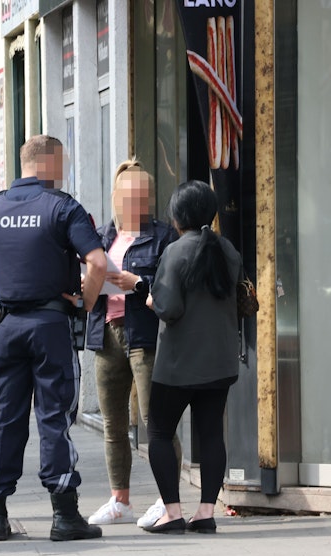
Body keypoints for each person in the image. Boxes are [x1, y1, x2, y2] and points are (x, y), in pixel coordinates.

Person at [0, 134, 107, 542]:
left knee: (4, 419)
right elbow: (97, 262)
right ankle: (64, 516)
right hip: (50, 327)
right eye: (62, 163)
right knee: (54, 419)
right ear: (49, 163)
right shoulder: (62, 207)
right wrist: (85, 302)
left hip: (7, 330)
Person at [83, 160, 182, 529]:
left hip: (146, 335)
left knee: (155, 422)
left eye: (140, 196)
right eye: (127, 196)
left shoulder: (162, 236)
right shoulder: (102, 236)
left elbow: (172, 286)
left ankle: (166, 499)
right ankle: (119, 499)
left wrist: (136, 281)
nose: (133, 203)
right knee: (113, 423)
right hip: (107, 332)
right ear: (115, 197)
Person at [143, 180, 241, 534]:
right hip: (220, 361)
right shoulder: (227, 250)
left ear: (177, 215)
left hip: (178, 365)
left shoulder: (176, 251)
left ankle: (171, 512)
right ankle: (205, 512)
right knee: (212, 433)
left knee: (158, 431)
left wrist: (150, 298)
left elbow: (169, 307)